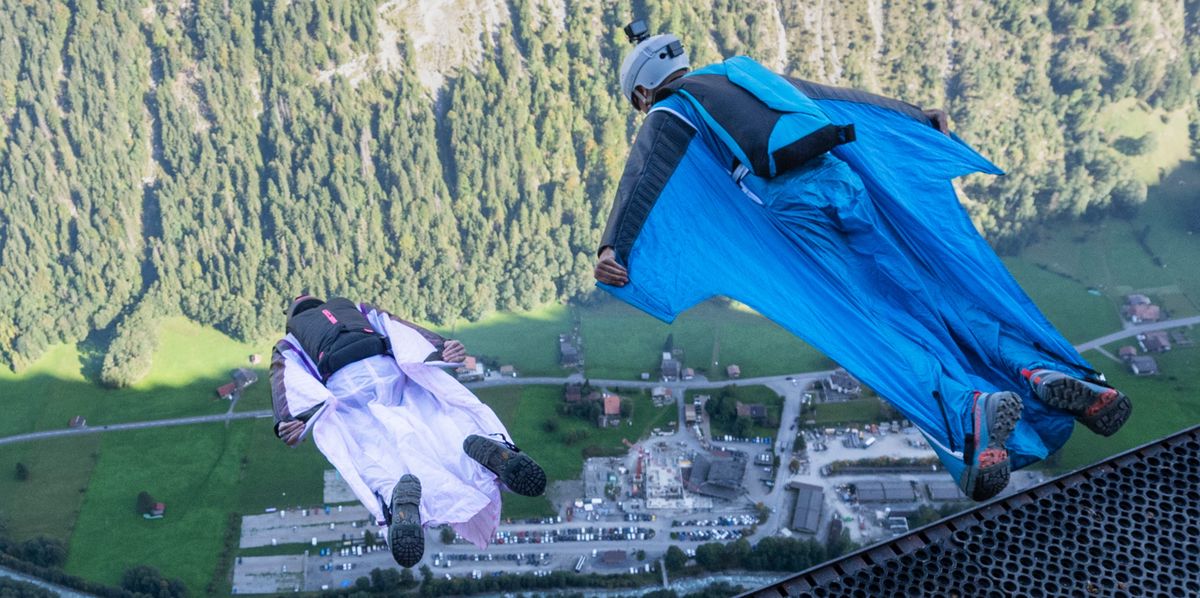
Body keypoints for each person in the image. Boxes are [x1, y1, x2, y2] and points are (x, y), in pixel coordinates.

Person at [594, 22, 1131, 501]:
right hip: (844, 183)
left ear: (642, 90)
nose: (643, 110)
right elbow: (834, 97)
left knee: (876, 322)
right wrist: (914, 115)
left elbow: (644, 177)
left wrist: (612, 247)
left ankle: (968, 411)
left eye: (638, 102)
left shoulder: (669, 111)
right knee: (928, 293)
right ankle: (1040, 370)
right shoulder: (739, 74)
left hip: (800, 211)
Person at [270, 295, 546, 567]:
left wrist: (289, 420)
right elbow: (397, 326)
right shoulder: (354, 309)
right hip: (389, 371)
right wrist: (441, 346)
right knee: (436, 420)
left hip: (346, 389)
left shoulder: (290, 341)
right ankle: (486, 457)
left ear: (292, 317)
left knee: (367, 452)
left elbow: (283, 378)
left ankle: (395, 498)